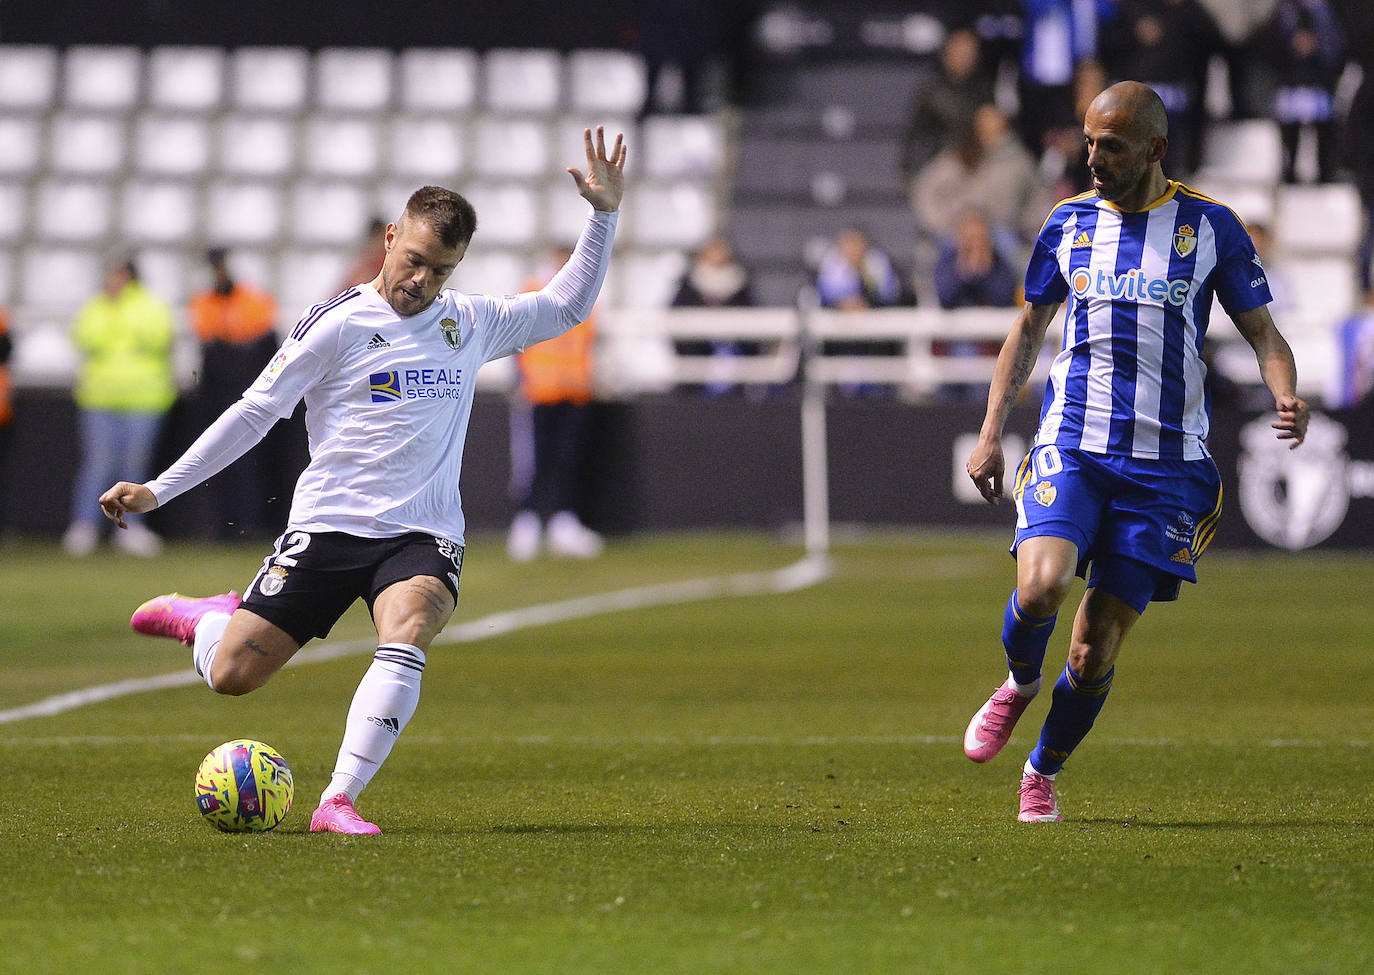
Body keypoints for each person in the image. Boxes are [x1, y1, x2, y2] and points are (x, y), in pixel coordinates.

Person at [98, 127, 628, 835]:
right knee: (232, 675)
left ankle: (337, 799)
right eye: (413, 260)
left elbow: (564, 306)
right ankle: (207, 620)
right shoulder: (337, 324)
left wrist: (602, 216)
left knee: (410, 625)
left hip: (422, 532)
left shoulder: (466, 322)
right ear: (389, 238)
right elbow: (257, 412)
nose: (421, 281)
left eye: (440, 269)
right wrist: (159, 489)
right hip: (329, 525)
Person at [962, 82, 1309, 822]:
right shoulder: (1068, 223)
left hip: (1166, 469)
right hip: (1074, 444)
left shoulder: (1209, 226)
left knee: (1093, 648)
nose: (1093, 157)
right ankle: (1020, 682)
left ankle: (1042, 769)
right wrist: (992, 430)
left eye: (1111, 145)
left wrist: (1285, 389)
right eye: (1089, 142)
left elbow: (1263, 332)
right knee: (1041, 587)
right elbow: (1027, 331)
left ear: (1153, 148)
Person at [63, 256, 177, 557]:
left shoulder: (150, 305)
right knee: (98, 463)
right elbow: (84, 337)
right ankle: (84, 525)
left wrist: (118, 322)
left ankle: (130, 529)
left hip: (143, 398)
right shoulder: (97, 306)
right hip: (100, 397)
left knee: (135, 465)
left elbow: (158, 337)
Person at [506, 244, 605, 562]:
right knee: (533, 462)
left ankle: (563, 521)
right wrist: (519, 381)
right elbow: (515, 336)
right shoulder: (534, 288)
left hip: (574, 388)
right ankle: (528, 521)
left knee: (569, 458)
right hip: (540, 389)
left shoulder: (584, 291)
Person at [187, 248, 280, 539]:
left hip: (246, 390)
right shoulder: (205, 302)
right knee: (218, 461)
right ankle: (222, 527)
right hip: (219, 393)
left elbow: (260, 337)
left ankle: (246, 526)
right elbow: (213, 337)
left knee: (246, 464)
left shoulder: (250, 299)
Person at [669, 235, 758, 396]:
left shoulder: (742, 289)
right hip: (694, 377)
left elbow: (754, 334)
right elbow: (675, 328)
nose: (716, 258)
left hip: (737, 376)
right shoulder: (688, 288)